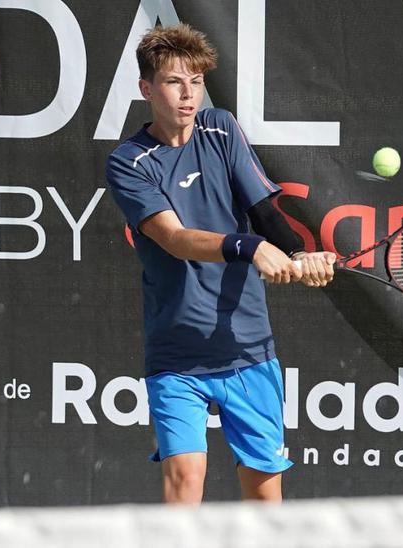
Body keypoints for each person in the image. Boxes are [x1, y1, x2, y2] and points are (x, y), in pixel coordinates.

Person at [105, 23, 336, 504]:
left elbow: (264, 212)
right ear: (147, 88)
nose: (188, 95)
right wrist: (248, 248)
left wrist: (297, 253)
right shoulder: (130, 161)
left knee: (264, 497)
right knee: (184, 483)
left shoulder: (221, 128)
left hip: (247, 348)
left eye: (196, 81)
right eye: (173, 82)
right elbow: (175, 238)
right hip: (177, 355)